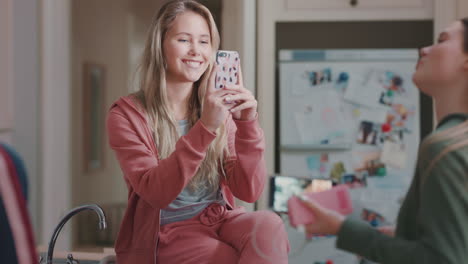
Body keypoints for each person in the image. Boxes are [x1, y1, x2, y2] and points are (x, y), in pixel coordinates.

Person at [106, 1, 289, 263]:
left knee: (269, 226)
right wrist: (205, 128)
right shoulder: (126, 115)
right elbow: (156, 192)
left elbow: (249, 191)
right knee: (224, 256)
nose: (196, 51)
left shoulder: (216, 107)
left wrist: (248, 124)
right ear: (160, 45)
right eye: (184, 40)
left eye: (204, 42)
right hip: (167, 233)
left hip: (220, 218)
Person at [301, 18, 468, 264]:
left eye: (442, 40)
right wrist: (402, 237)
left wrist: (343, 229)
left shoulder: (445, 148)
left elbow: (441, 259)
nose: (424, 49)